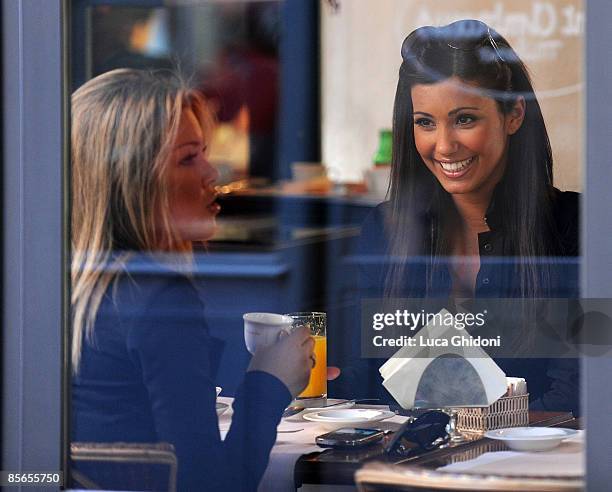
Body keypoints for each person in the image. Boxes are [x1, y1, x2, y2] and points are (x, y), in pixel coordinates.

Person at [70, 68, 315, 491]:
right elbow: (211, 485)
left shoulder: (65, 291)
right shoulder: (159, 300)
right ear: (132, 180)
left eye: (204, 152)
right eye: (188, 158)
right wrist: (270, 382)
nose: (211, 173)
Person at [333, 20, 579, 414]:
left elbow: (579, 398)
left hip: (526, 467)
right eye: (425, 122)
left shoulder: (577, 229)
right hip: (410, 464)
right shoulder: (385, 230)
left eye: (464, 119)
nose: (444, 146)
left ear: (514, 114)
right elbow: (359, 384)